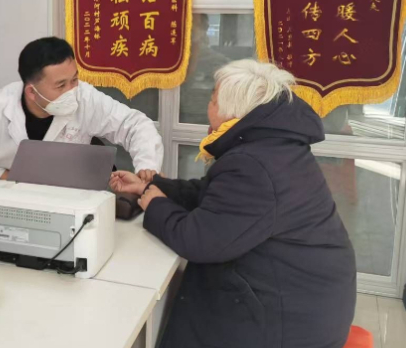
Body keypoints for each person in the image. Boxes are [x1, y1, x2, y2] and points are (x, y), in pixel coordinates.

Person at [111, 60, 357, 348]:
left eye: (213, 99)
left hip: (288, 323)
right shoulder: (272, 145)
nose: (208, 106)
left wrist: (156, 204)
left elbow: (199, 240)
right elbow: (215, 197)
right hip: (306, 297)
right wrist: (152, 186)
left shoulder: (253, 164)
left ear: (234, 112)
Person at [0, 37, 163, 181]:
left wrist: (147, 166)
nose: (71, 91)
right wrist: (5, 176)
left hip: (69, 197)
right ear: (32, 92)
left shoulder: (85, 97)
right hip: (4, 198)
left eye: (74, 79)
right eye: (61, 85)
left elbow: (135, 125)